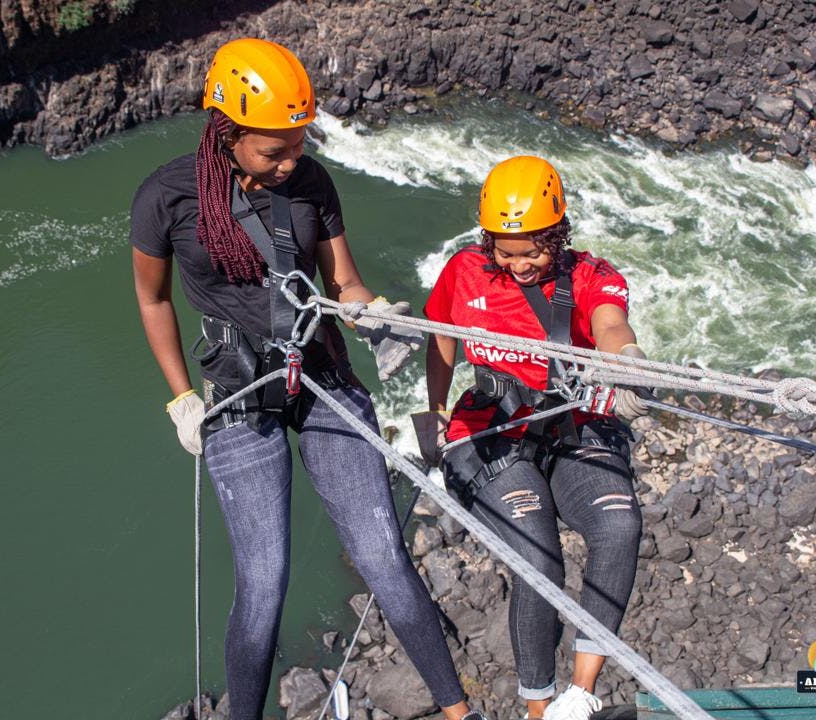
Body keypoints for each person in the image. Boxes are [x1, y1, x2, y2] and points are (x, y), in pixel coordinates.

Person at [129, 37, 482, 720]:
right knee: (263, 585)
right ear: (226, 134)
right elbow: (152, 299)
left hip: (320, 372)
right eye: (274, 151)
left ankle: (457, 711)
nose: (292, 162)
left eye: (298, 143)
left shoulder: (311, 182)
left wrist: (371, 313)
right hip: (236, 393)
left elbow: (342, 282)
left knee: (383, 556)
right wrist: (178, 398)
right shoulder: (166, 198)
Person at [414, 156, 648, 720]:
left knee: (619, 525)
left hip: (573, 426)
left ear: (558, 234)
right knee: (539, 560)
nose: (519, 265)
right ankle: (537, 708)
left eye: (533, 251)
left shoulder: (589, 276)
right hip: (490, 431)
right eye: (506, 250)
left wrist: (628, 362)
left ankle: (580, 694)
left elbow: (612, 323)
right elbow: (441, 337)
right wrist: (436, 408)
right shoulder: (464, 271)